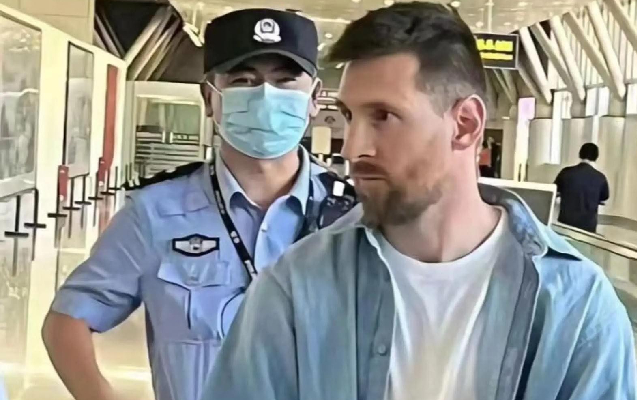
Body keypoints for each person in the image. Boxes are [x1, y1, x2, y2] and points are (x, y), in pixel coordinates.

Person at [203, 3, 636, 400]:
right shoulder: (295, 289)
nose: (352, 148)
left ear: (465, 124)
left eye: (383, 116)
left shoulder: (575, 309)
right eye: (350, 116)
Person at [41, 9, 355, 400]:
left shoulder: (354, 215)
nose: (266, 96)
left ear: (314, 98)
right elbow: (66, 321)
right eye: (243, 81)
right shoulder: (155, 213)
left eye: (285, 80)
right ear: (209, 98)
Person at [555, 142, 610, 233]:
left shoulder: (566, 172)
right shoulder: (600, 177)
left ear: (580, 154)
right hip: (587, 225)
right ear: (596, 157)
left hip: (566, 222)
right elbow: (605, 196)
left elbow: (555, 189)